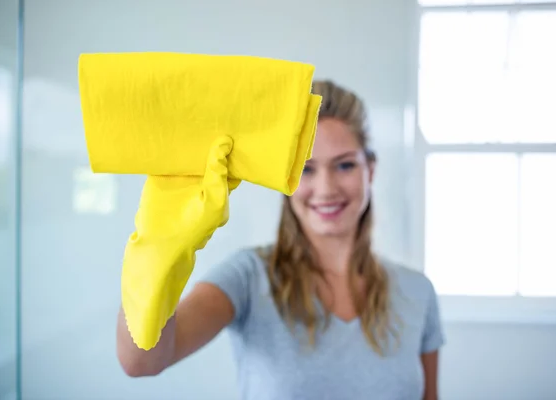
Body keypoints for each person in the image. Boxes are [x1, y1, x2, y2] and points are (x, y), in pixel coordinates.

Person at [116, 80, 445, 400]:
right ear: (285, 178)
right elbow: (142, 361)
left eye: (344, 165)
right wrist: (158, 251)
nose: (327, 188)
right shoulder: (248, 276)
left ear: (369, 170)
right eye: (306, 169)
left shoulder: (418, 291)